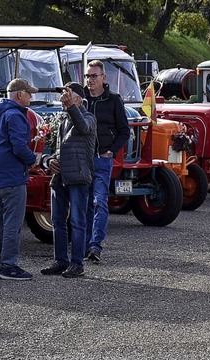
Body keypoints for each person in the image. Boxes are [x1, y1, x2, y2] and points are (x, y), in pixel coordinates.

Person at [40, 82, 97, 278]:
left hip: (79, 177)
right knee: (57, 220)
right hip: (61, 176)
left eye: (67, 94)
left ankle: (77, 263)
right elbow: (57, 150)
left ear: (79, 99)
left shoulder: (89, 118)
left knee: (77, 221)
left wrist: (72, 107)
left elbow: (82, 127)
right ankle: (61, 260)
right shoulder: (64, 120)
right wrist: (49, 161)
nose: (63, 98)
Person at [0, 78, 38, 281]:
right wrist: (32, 160)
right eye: (28, 93)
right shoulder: (16, 115)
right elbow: (18, 146)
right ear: (19, 94)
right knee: (12, 223)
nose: (31, 97)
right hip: (12, 174)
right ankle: (9, 265)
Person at [83, 60, 130, 263]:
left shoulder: (113, 100)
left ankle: (95, 246)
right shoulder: (81, 99)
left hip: (102, 159)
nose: (90, 80)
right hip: (82, 159)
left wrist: (111, 151)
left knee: (99, 201)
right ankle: (83, 246)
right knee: (82, 203)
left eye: (94, 76)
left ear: (103, 78)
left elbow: (124, 131)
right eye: (87, 76)